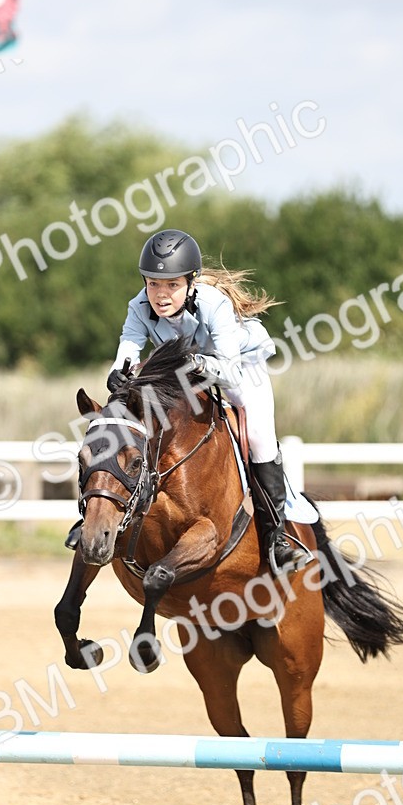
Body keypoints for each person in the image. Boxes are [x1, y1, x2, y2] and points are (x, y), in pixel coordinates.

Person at [105, 228, 301, 573]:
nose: (160, 295)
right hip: (187, 371)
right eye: (153, 284)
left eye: (171, 285)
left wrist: (194, 362)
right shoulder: (138, 306)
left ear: (190, 283)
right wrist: (118, 372)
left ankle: (277, 538)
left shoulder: (214, 304)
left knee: (257, 436)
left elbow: (229, 374)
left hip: (238, 366)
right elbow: (130, 342)